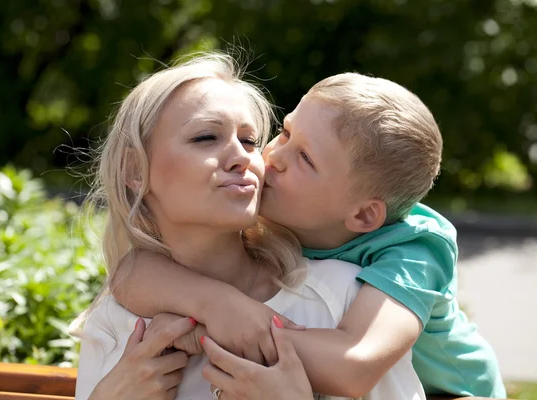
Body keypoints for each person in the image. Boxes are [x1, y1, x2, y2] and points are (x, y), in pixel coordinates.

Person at [111, 70, 506, 397]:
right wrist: (216, 304)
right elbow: (131, 275)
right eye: (284, 133)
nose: (272, 157)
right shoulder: (291, 212)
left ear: (364, 215)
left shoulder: (414, 250)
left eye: (305, 158)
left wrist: (209, 335)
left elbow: (353, 365)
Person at [72, 52, 425, 400]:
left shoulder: (342, 297)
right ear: (135, 171)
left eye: (249, 140)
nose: (243, 156)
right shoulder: (113, 322)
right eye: (206, 137)